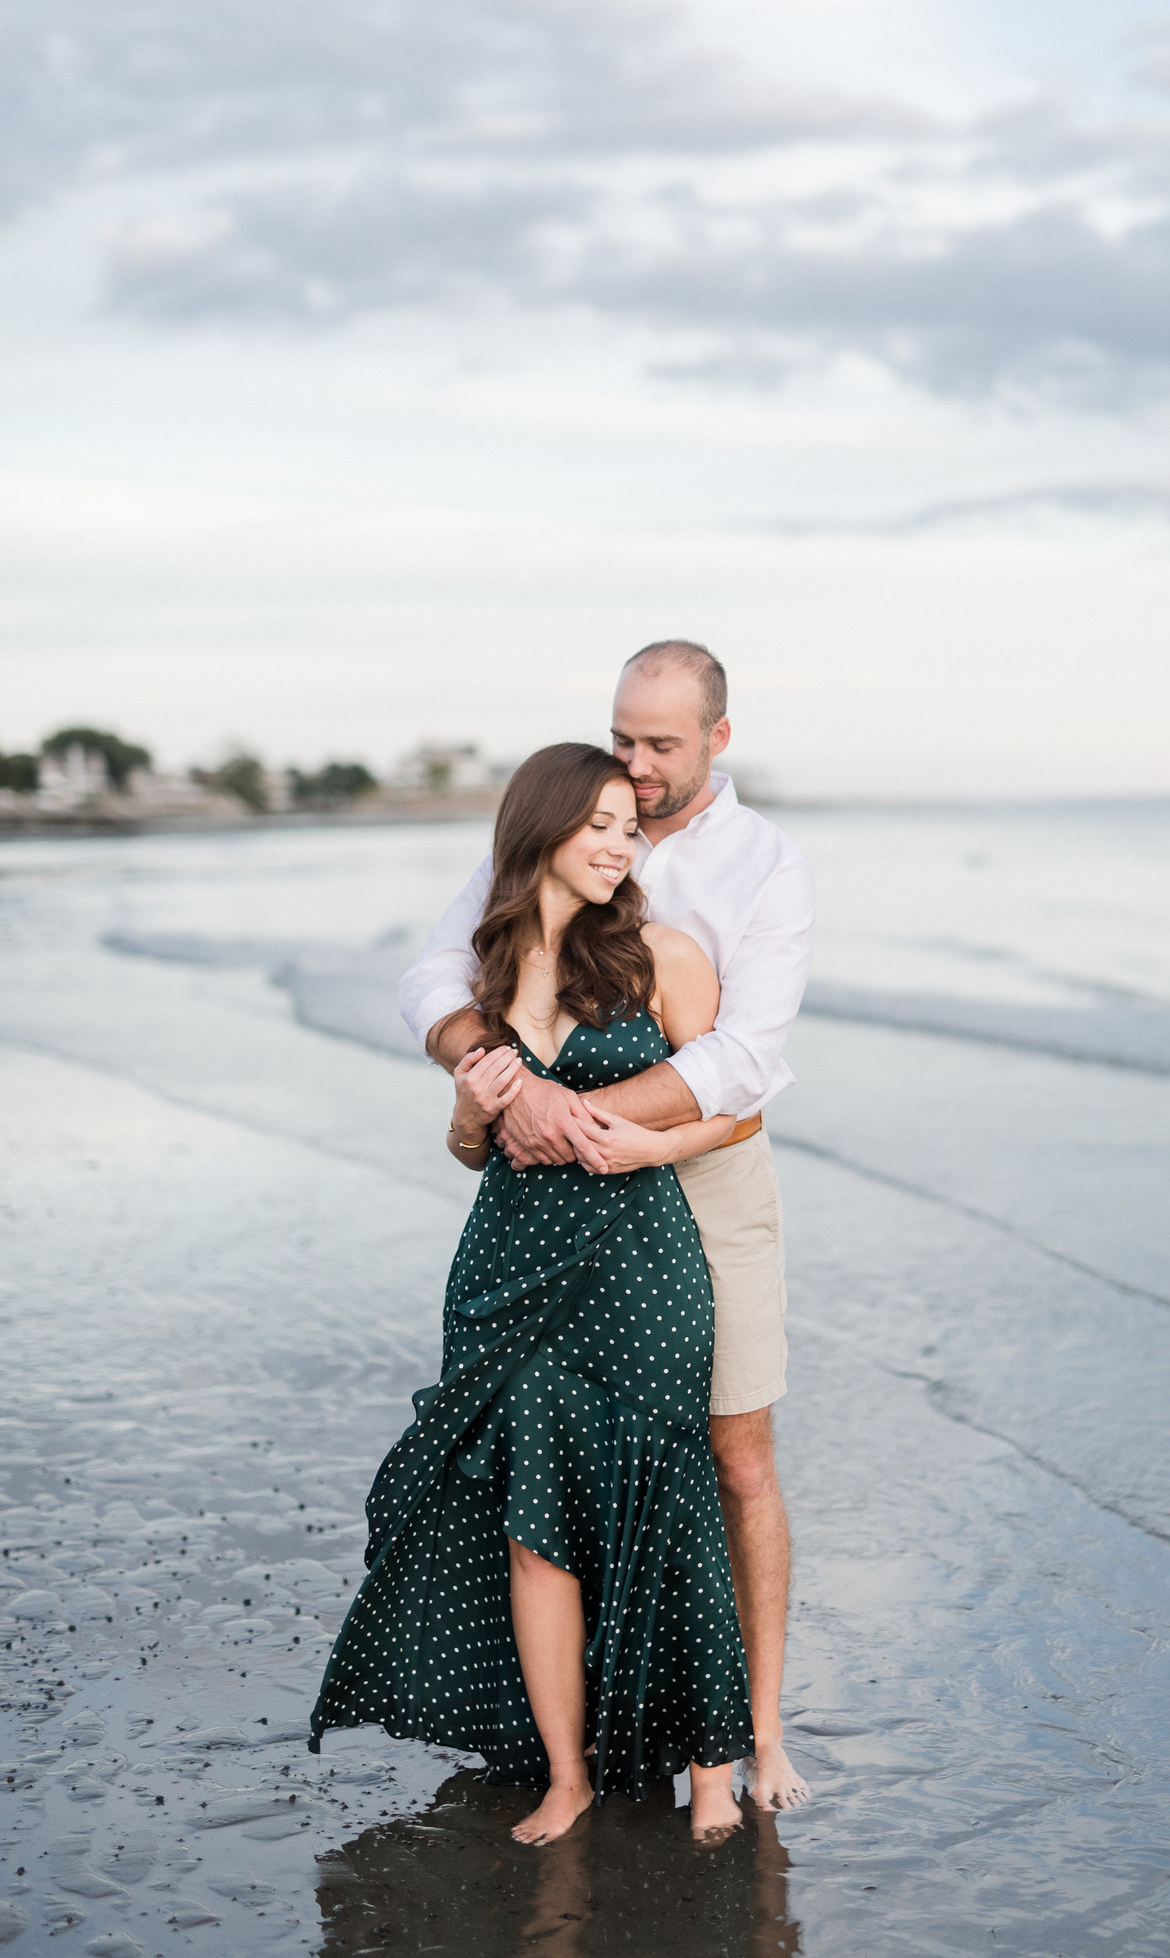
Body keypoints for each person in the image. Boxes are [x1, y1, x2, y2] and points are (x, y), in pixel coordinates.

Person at [399, 640, 815, 1812]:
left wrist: (568, 1111)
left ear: (716, 742)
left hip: (700, 1175)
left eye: (660, 747)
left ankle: (758, 1730)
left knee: (731, 1457)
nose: (634, 771)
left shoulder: (765, 866)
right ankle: (586, 1736)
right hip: (555, 1199)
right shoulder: (564, 824)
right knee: (554, 1468)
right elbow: (435, 974)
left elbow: (742, 1063)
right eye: (622, 736)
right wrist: (494, 1073)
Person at [311, 743, 754, 1843]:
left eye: (627, 824)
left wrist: (641, 1151)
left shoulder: (664, 955)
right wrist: (473, 1103)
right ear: (541, 829)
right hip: (507, 1269)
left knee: (666, 1500)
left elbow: (738, 1108)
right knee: (533, 1532)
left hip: (641, 1266)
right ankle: (567, 1772)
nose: (618, 842)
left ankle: (710, 1762)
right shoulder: (485, 976)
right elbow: (472, 1148)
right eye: (597, 822)